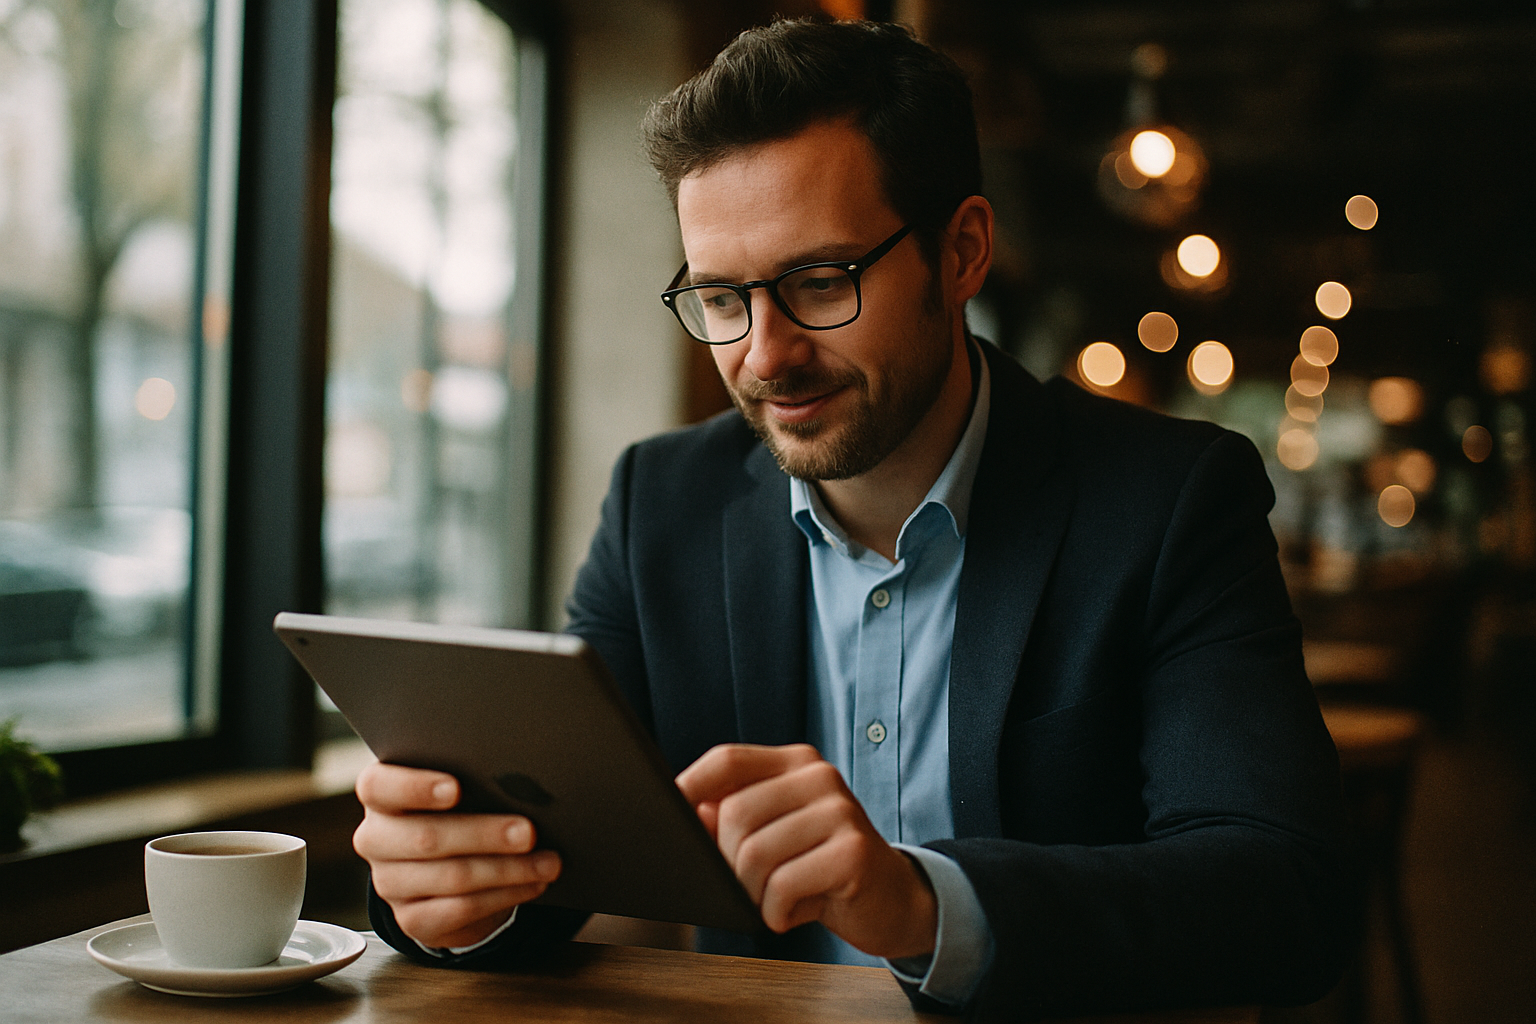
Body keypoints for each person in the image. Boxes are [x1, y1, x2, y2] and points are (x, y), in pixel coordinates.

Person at [352, 18, 1349, 1019]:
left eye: (820, 282)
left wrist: (921, 903)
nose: (764, 352)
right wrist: (454, 891)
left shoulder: (1171, 501)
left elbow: (1289, 899)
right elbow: (569, 840)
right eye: (721, 297)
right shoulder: (664, 503)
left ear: (961, 253)